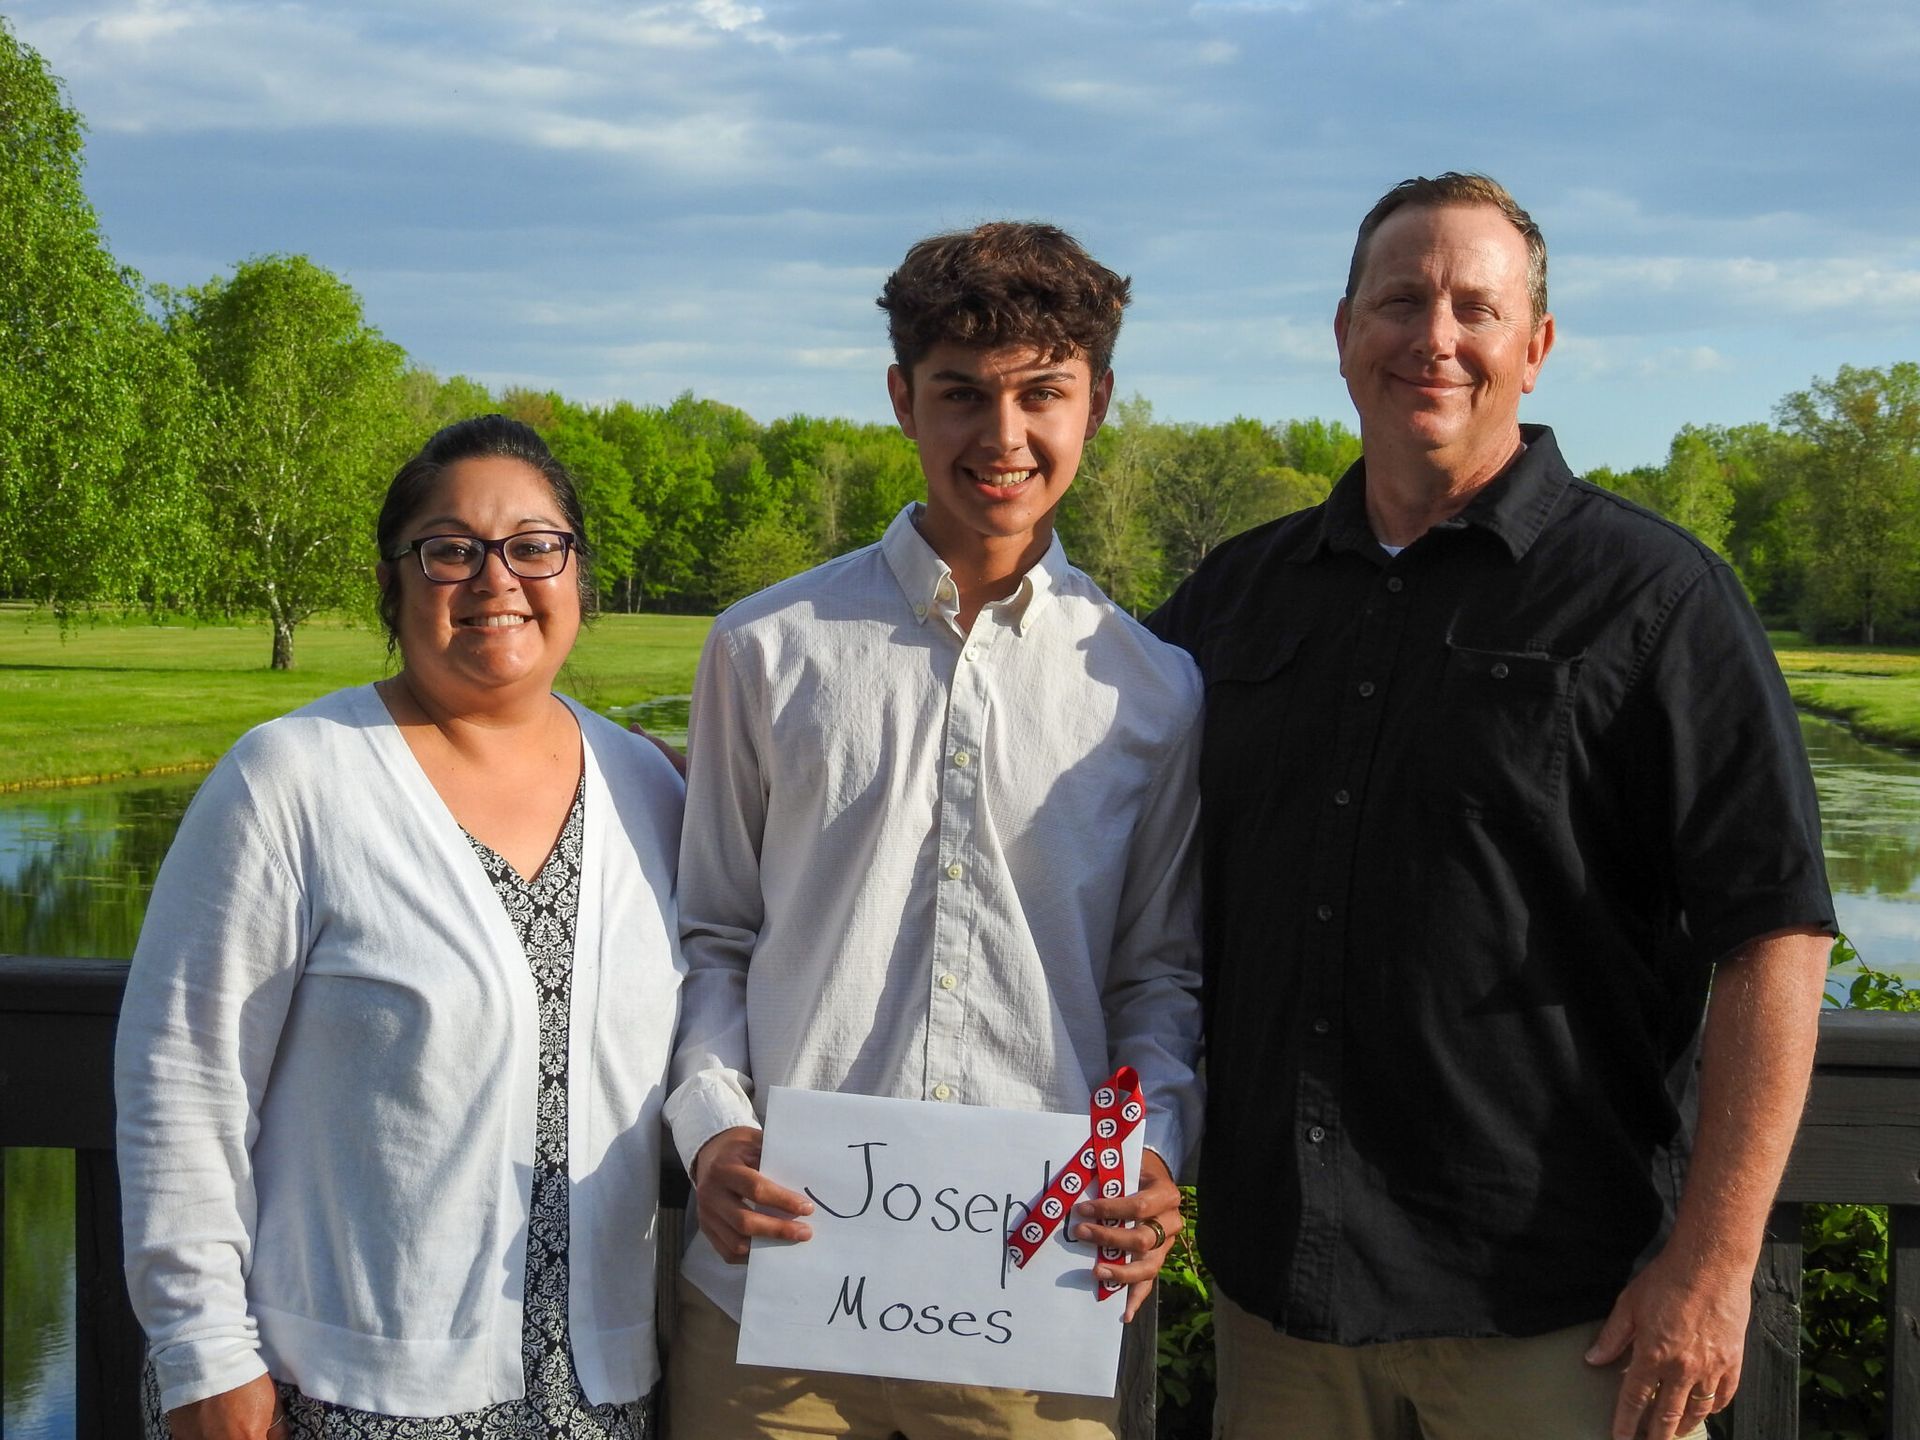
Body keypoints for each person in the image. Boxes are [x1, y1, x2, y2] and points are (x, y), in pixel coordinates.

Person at [1147, 173, 1836, 1440]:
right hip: (1279, 1311)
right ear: (1343, 333)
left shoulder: (1655, 597)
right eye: (1399, 300)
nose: (1436, 337)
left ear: (1538, 346)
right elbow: (1079, 821)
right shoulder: (1239, 597)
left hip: (1563, 1319)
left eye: (1477, 305)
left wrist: (1715, 1265)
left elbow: (1775, 939)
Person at [662, 221, 1204, 1439]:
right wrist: (714, 1129)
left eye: (1042, 395)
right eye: (962, 394)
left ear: (1097, 403)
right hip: (775, 1293)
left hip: (1042, 1297)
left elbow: (1155, 979)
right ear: (903, 399)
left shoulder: (1153, 691)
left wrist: (1152, 1154)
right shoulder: (766, 650)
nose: (1002, 438)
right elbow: (714, 934)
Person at [116, 416, 685, 1438]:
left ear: (579, 577)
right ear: (394, 583)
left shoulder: (649, 787)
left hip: (598, 1398)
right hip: (341, 1392)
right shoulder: (292, 777)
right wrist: (202, 1353)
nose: (496, 578)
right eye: (450, 548)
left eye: (535, 546)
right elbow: (182, 1077)